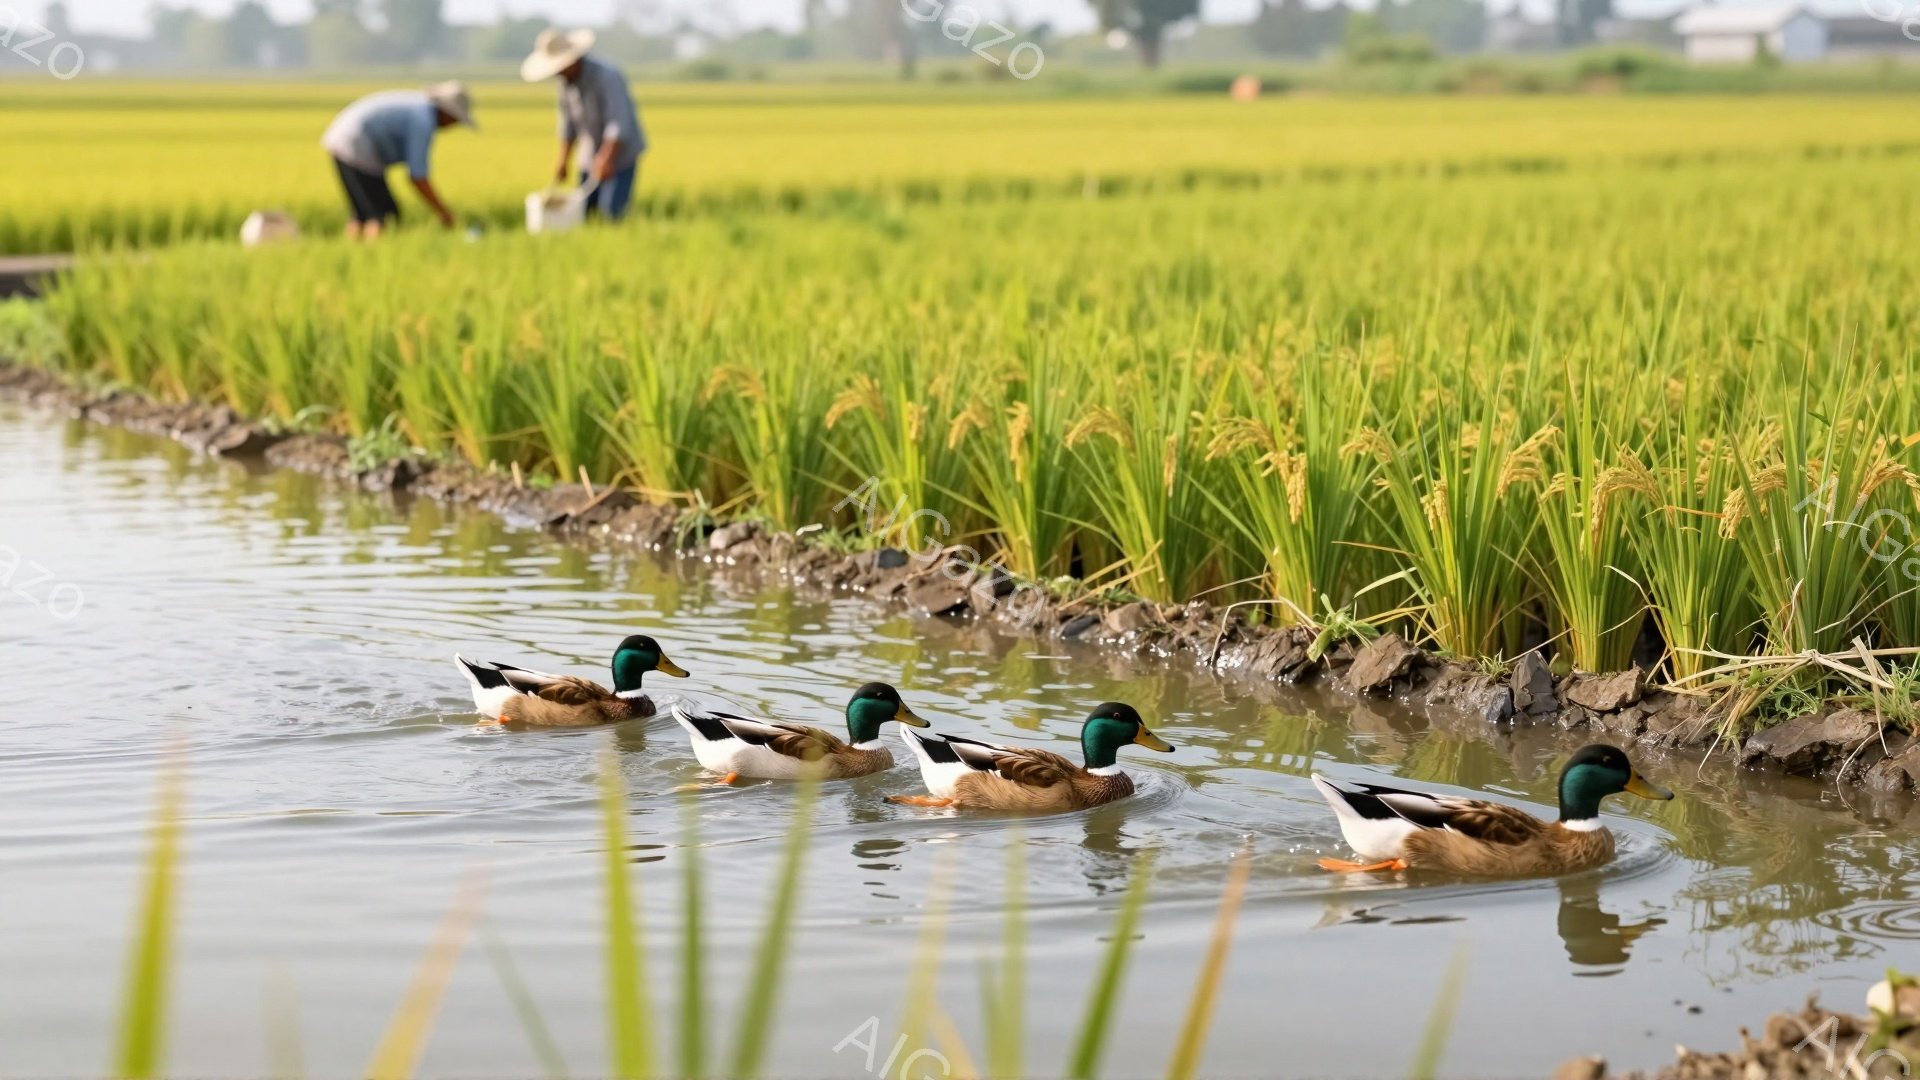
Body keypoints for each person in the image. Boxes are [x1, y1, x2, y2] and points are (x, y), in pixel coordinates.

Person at [320, 82, 475, 240]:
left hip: (341, 140)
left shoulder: (418, 106)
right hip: (358, 146)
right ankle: (373, 256)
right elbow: (417, 175)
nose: (453, 125)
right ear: (447, 113)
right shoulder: (422, 121)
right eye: (455, 119)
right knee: (385, 214)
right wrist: (443, 212)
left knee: (363, 212)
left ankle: (353, 254)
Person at [521, 29, 647, 222]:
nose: (556, 73)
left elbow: (618, 122)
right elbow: (568, 124)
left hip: (620, 155)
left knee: (611, 212)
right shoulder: (566, 84)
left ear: (572, 60)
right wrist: (563, 160)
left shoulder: (607, 76)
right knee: (584, 212)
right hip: (589, 155)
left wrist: (606, 158)